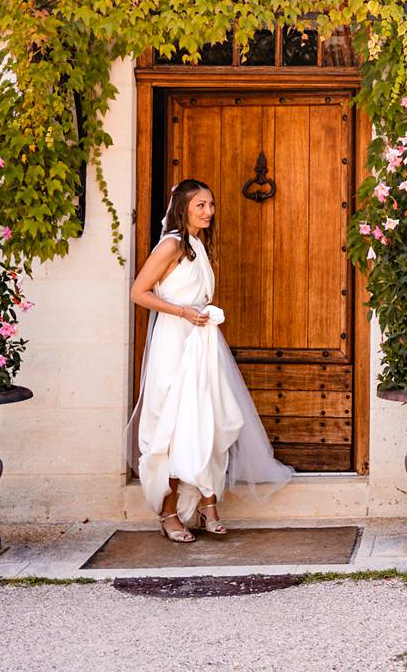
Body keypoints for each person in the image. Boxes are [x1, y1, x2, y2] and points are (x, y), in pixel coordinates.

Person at [127, 178, 293, 542]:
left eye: (211, 205)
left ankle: (208, 504)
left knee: (210, 419)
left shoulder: (198, 246)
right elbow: (138, 292)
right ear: (183, 207)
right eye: (201, 205)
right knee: (172, 425)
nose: (208, 212)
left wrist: (199, 316)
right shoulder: (170, 245)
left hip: (202, 341)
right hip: (175, 342)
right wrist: (183, 313)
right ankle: (169, 513)